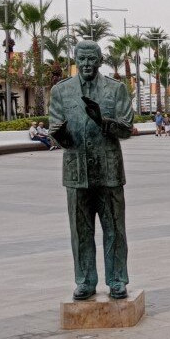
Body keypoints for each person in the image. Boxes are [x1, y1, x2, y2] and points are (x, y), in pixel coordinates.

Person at [49, 40, 135, 300]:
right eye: (82, 59)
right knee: (80, 231)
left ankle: (117, 279)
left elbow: (127, 129)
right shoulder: (61, 91)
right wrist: (60, 135)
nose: (86, 64)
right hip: (77, 171)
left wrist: (103, 121)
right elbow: (54, 128)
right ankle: (85, 280)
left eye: (91, 59)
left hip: (108, 171)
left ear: (100, 61)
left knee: (115, 229)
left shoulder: (116, 89)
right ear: (76, 60)